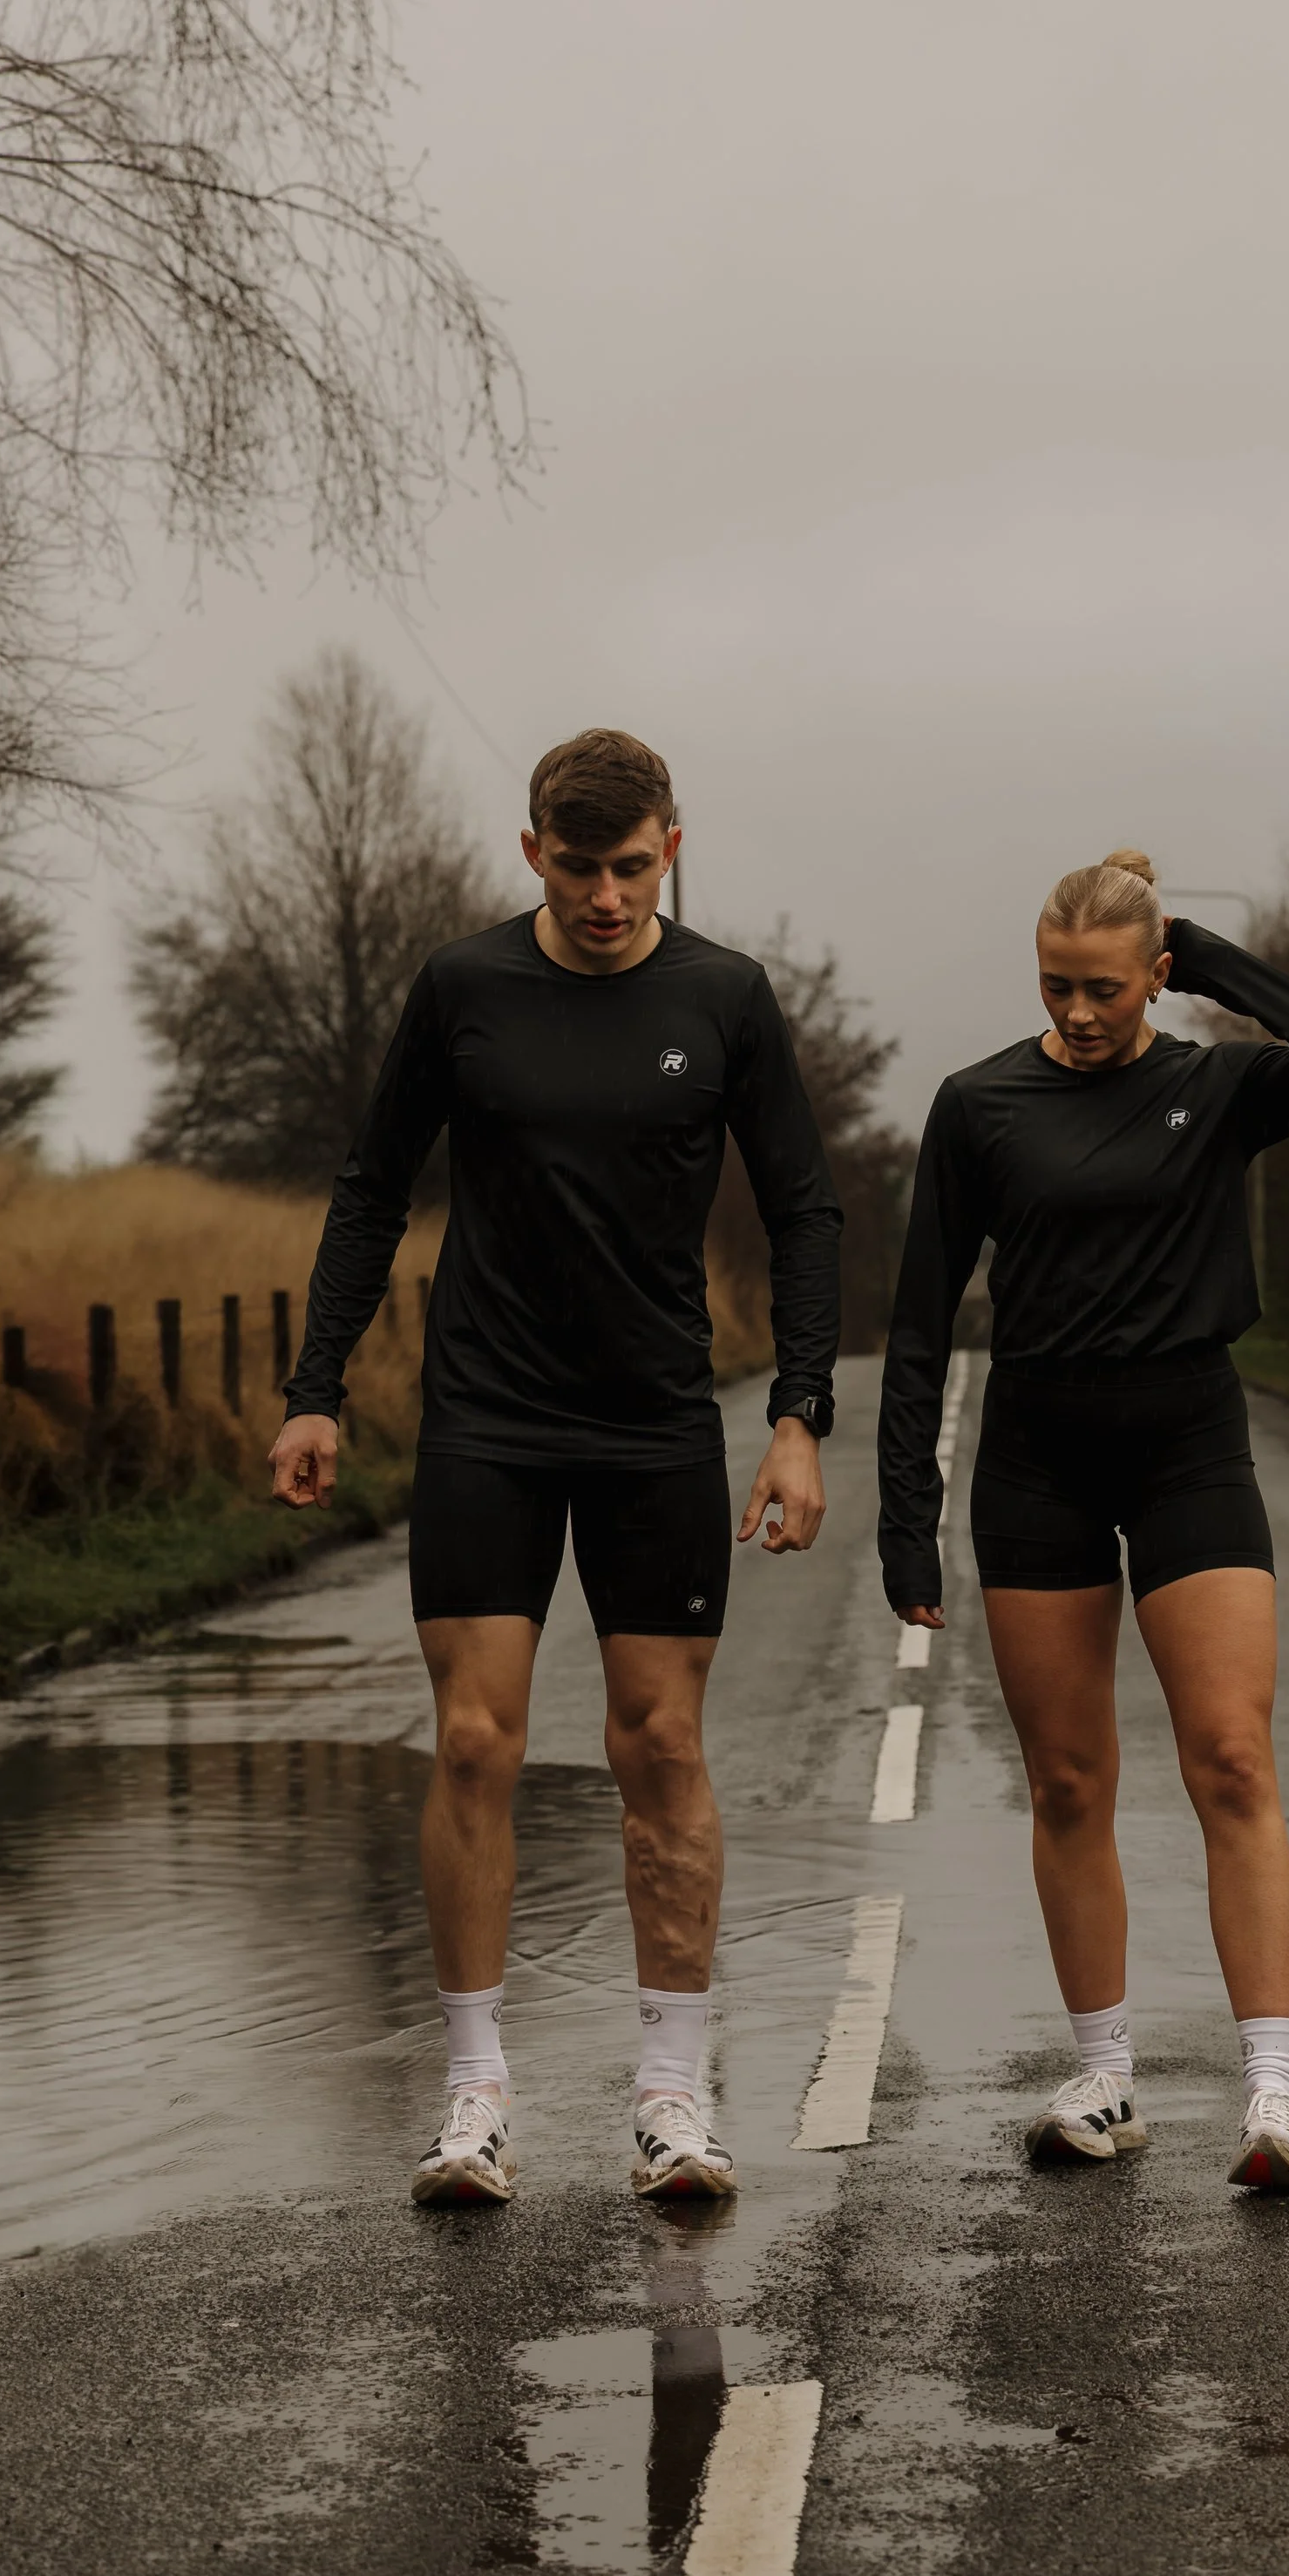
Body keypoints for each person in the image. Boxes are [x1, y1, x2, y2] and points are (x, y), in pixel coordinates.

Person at [269, 728, 842, 2209]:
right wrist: (315, 1390)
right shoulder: (462, 987)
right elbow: (370, 1186)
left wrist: (798, 1415)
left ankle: (671, 2096)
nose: (604, 895)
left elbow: (804, 1205)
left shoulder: (725, 997)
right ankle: (474, 2099)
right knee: (475, 1743)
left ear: (671, 848)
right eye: (577, 866)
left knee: (661, 1746)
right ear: (532, 850)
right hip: (488, 1412)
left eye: (631, 866)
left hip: (654, 1419)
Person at [877, 851, 1289, 2190]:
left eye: (1105, 986)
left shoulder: (1216, 1086)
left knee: (1231, 1755)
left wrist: (1201, 949)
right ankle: (1102, 2075)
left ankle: (1273, 2091)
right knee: (1067, 1780)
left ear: (1155, 975)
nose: (1079, 1009)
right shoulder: (980, 1103)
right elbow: (921, 1320)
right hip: (1036, 1455)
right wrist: (905, 1516)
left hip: (1186, 1445)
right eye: (1056, 983)